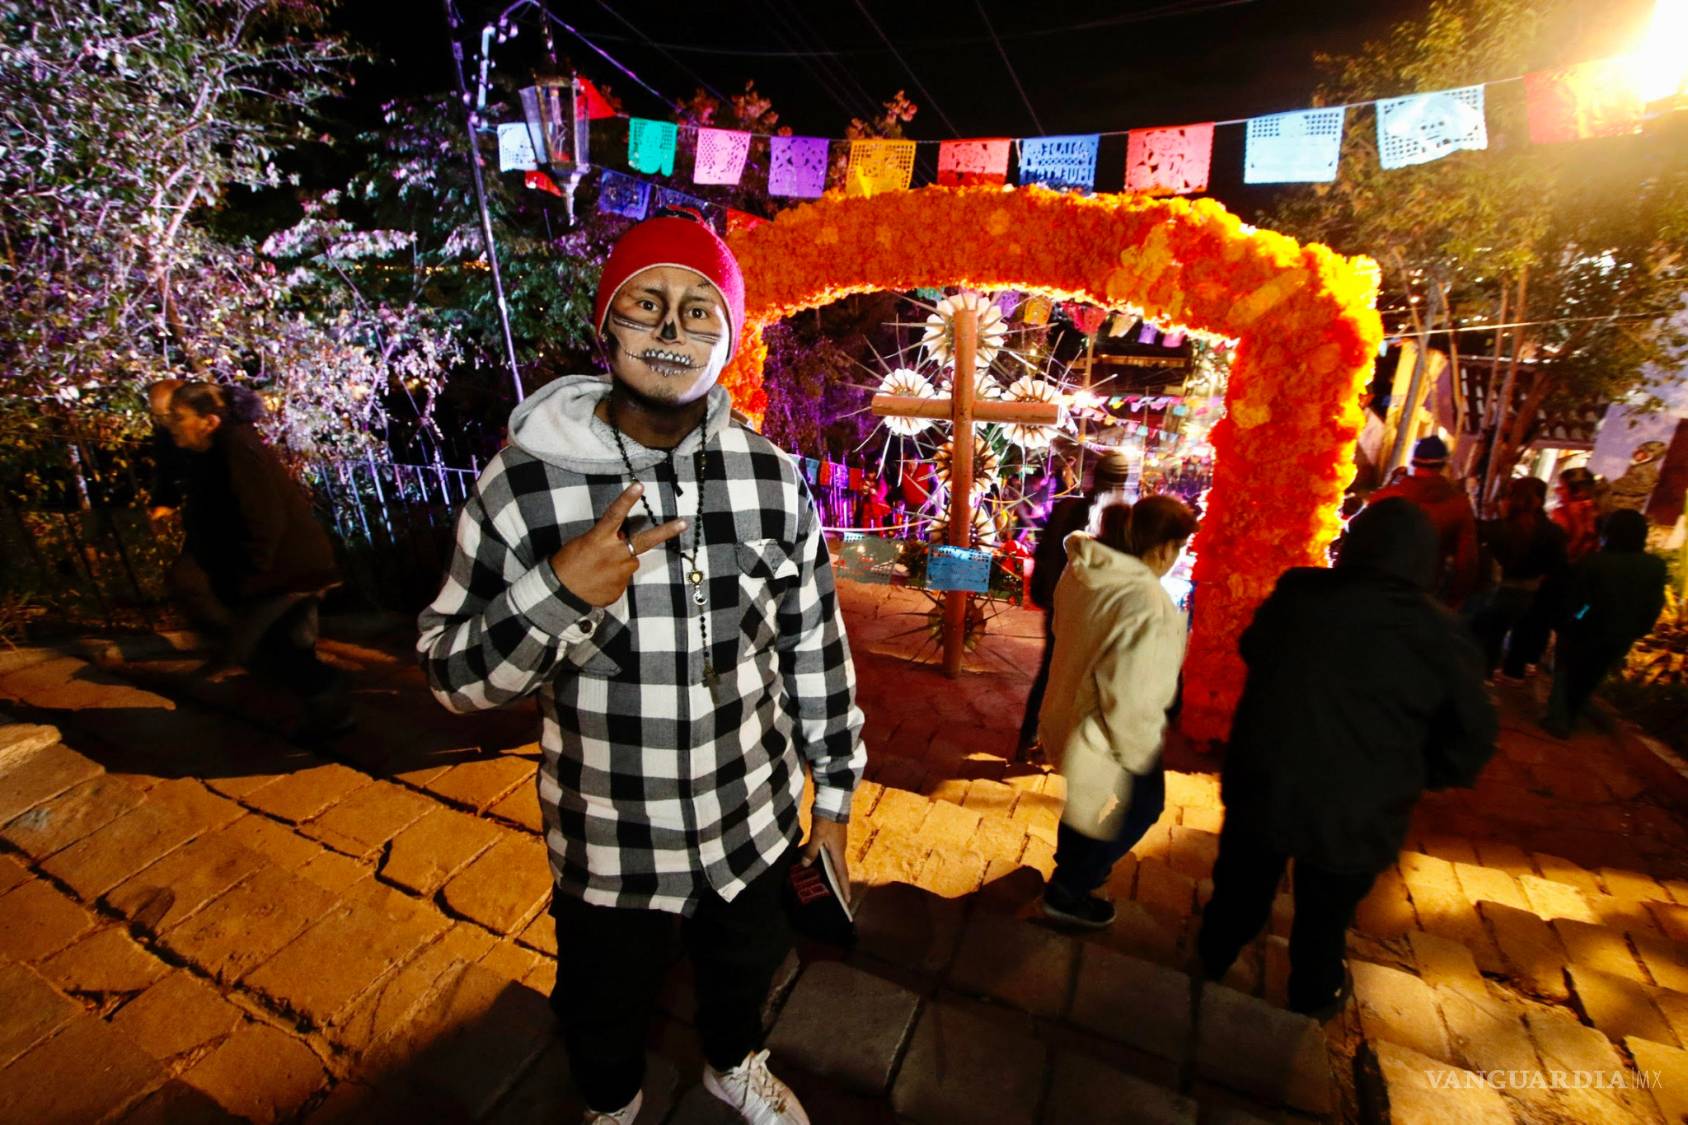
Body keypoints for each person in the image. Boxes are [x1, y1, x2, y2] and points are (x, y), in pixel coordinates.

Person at [418, 211, 864, 1125]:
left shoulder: (771, 479)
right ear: (605, 323)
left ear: (728, 340)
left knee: (744, 973)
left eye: (700, 309)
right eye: (646, 302)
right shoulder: (524, 483)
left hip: (752, 826)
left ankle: (732, 1065)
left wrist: (834, 799)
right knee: (602, 1007)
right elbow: (450, 675)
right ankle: (612, 1105)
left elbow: (814, 646)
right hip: (611, 843)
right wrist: (558, 590)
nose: (670, 327)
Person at [1195, 499, 1497, 1019]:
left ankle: (1209, 963)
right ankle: (1310, 999)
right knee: (1325, 916)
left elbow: (1253, 648)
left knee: (1240, 891)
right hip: (1359, 804)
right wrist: (1418, 774)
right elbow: (1472, 734)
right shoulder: (1440, 633)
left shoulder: (1300, 594)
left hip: (1267, 781)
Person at [1037, 496, 1197, 928]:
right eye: (1179, 548)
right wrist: (1138, 747)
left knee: (1085, 800)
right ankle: (1070, 888)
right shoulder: (1145, 601)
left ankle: (1071, 867)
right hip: (1107, 723)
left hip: (1069, 704)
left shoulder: (1084, 571)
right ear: (1163, 548)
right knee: (1143, 805)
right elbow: (1131, 690)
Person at [163, 382, 347, 737]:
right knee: (284, 649)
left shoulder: (235, 451)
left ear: (209, 421)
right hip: (284, 571)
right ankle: (328, 713)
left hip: (286, 572)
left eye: (179, 416)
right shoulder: (216, 451)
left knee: (263, 649)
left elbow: (264, 519)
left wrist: (249, 576)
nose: (171, 424)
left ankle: (330, 702)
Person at [1015, 451, 1133, 758]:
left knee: (1051, 672)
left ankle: (1031, 737)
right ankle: (1059, 741)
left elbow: (1044, 553)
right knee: (1080, 678)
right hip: (1091, 612)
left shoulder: (1069, 507)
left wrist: (1044, 593)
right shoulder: (1123, 519)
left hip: (1061, 605)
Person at [1542, 509, 1667, 737]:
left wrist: (1573, 620)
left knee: (1566, 671)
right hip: (1621, 633)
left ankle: (1558, 719)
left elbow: (1582, 600)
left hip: (1586, 630)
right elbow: (1653, 603)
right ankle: (1572, 714)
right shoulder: (1655, 566)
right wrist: (1639, 628)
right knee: (1591, 675)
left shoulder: (1597, 562)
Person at [1468, 477, 1567, 678]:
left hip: (1494, 590)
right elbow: (1557, 566)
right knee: (1506, 636)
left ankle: (1479, 675)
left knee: (1485, 637)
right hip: (1526, 594)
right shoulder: (1554, 533)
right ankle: (1497, 675)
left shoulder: (1496, 528)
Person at [1367, 435, 1479, 608]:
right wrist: (1453, 602)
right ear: (1443, 465)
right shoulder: (1459, 505)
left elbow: (1360, 541)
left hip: (1375, 589)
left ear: (1413, 462)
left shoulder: (1385, 497)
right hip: (1422, 595)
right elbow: (1466, 563)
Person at [1551, 466, 1602, 564]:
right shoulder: (1596, 509)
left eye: (1562, 487)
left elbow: (1578, 537)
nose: (1557, 490)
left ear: (1578, 491)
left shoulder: (1569, 511)